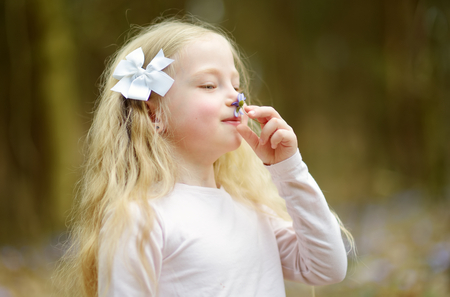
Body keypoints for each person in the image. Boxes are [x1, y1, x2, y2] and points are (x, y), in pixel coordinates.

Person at [57, 17, 353, 297]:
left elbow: (328, 267)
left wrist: (288, 169)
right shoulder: (141, 218)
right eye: (209, 85)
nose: (236, 98)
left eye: (237, 86)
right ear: (153, 112)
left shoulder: (252, 210)